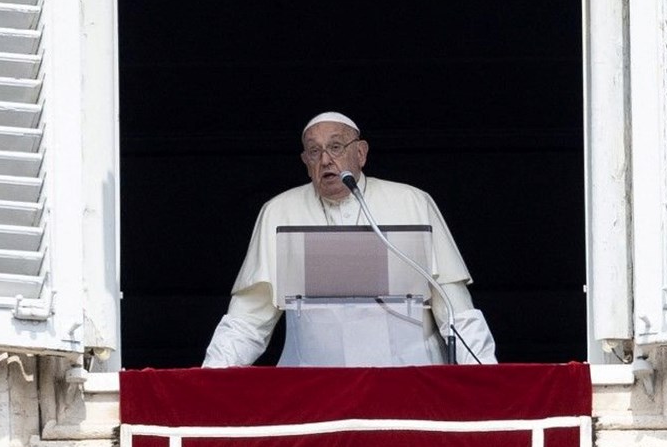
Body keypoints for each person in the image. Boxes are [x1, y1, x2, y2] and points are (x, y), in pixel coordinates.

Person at [202, 112, 497, 367]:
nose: (325, 159)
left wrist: (487, 379)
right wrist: (209, 377)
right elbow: (248, 319)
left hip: (408, 379)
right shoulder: (279, 212)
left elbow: (456, 312)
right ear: (305, 161)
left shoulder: (412, 202)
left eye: (336, 146)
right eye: (314, 151)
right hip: (316, 385)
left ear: (361, 153)